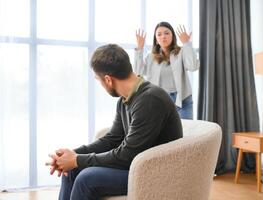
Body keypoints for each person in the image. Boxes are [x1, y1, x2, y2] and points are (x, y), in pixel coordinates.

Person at [46, 44, 183, 200]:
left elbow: (127, 155)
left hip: (153, 172)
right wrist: (72, 155)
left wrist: (76, 160)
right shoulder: (125, 100)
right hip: (135, 165)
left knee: (87, 178)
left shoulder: (150, 99)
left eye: (99, 80)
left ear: (108, 79)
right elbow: (112, 139)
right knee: (71, 171)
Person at [134, 22, 200, 119]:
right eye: (159, 34)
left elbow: (193, 66)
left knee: (186, 132)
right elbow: (138, 73)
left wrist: (186, 44)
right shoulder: (151, 57)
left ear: (172, 36)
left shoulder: (181, 53)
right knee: (161, 133)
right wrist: (140, 48)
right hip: (159, 100)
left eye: (166, 33)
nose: (163, 36)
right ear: (156, 40)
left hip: (182, 100)